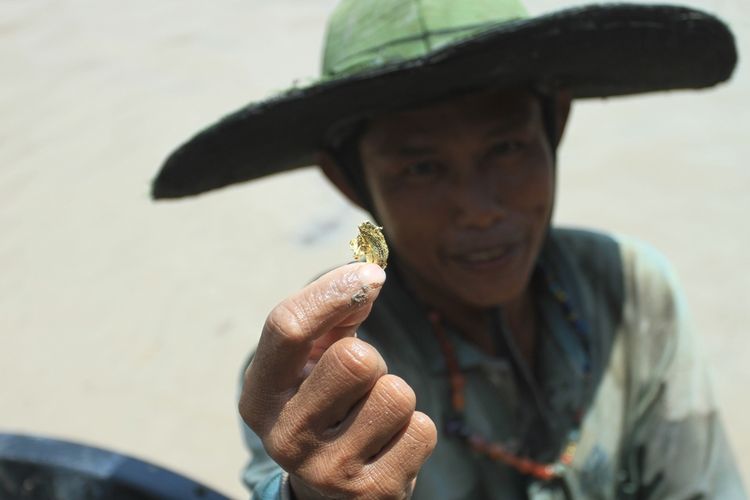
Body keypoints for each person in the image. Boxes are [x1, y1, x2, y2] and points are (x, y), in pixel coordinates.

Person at [152, 0, 746, 498]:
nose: (481, 206)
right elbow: (279, 479)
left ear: (554, 126)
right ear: (349, 180)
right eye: (422, 167)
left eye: (507, 148)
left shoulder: (629, 288)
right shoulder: (316, 364)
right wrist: (312, 492)